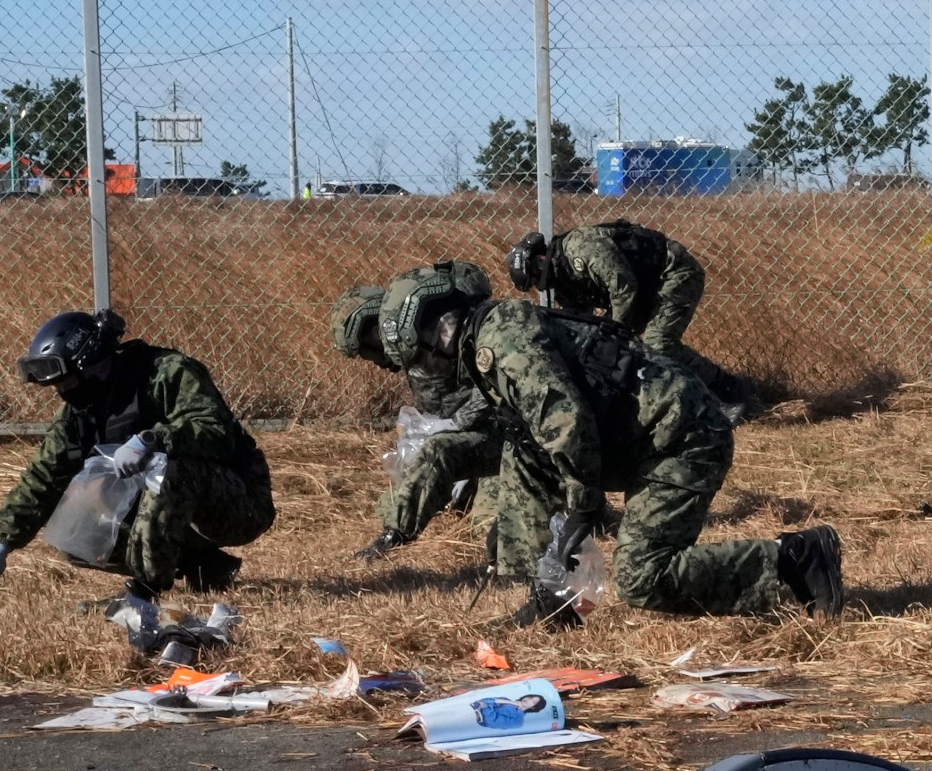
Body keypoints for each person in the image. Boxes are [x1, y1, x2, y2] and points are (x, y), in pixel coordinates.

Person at [410, 284, 843, 625]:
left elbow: (566, 421)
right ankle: (553, 597)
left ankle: (797, 558)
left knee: (642, 577)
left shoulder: (501, 343)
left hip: (682, 441)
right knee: (526, 452)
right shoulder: (496, 329)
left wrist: (582, 503)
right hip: (641, 439)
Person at [0, 309, 273, 602]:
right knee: (76, 528)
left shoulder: (165, 372)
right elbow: (45, 475)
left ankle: (144, 593)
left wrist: (152, 440)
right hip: (172, 510)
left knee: (166, 471)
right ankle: (202, 565)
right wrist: (0, 545)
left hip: (238, 504)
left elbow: (215, 430)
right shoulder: (80, 413)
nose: (63, 391)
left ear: (92, 366)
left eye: (67, 381)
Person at [330, 267, 518, 565]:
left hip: (507, 439)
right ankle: (395, 534)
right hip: (470, 442)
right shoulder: (421, 358)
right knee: (393, 501)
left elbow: (492, 393)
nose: (378, 360)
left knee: (487, 520)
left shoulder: (463, 337)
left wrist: (454, 427)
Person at [508, 222, 756, 416]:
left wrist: (613, 336)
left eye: (535, 276)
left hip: (672, 273)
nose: (540, 284)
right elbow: (580, 325)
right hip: (642, 291)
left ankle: (729, 394)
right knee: (615, 352)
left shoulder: (581, 247)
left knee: (660, 343)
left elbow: (623, 288)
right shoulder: (562, 280)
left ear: (540, 259)